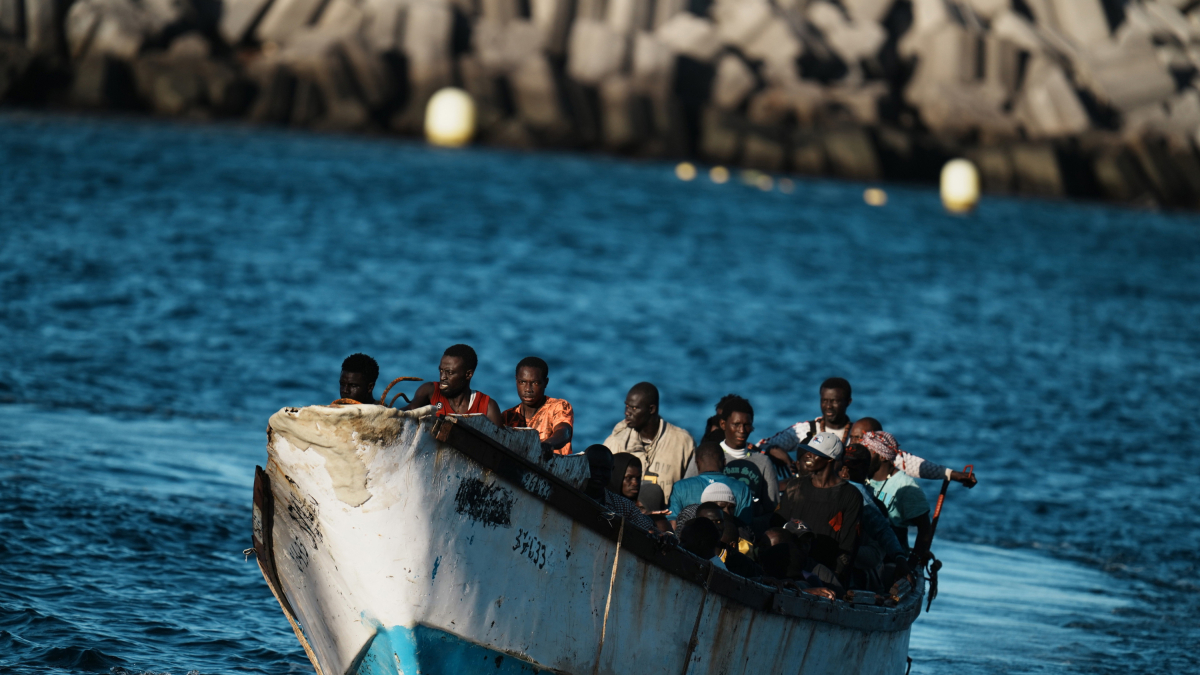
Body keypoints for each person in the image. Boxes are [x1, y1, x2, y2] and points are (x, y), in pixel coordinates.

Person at [775, 432, 862, 585]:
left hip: (824, 571)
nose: (807, 456)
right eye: (808, 451)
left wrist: (836, 578)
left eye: (815, 453)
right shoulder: (795, 487)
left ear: (830, 459)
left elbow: (848, 545)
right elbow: (779, 526)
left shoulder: (850, 495)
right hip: (790, 564)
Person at [602, 382, 695, 499]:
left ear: (651, 409)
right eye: (627, 406)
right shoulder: (615, 442)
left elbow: (691, 490)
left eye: (634, 408)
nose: (627, 412)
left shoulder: (682, 442)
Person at [684, 396, 778, 504]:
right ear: (723, 424)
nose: (742, 430)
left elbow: (771, 508)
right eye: (736, 424)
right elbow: (685, 494)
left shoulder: (763, 463)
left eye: (746, 425)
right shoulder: (705, 456)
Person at [861, 431, 936, 562]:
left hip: (891, 557)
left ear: (882, 457)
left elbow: (925, 529)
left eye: (867, 452)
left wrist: (912, 562)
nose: (862, 457)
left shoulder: (906, 487)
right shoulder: (862, 476)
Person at [841, 443, 910, 586]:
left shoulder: (863, 496)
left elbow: (880, 541)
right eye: (843, 465)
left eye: (852, 466)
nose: (845, 471)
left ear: (866, 469)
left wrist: (899, 557)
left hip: (855, 561)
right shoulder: (841, 487)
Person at [756, 378, 854, 475]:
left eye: (834, 401)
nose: (828, 406)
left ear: (848, 402)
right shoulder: (805, 429)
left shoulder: (857, 433)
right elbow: (760, 446)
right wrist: (774, 451)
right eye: (824, 401)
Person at [850, 418, 979, 486]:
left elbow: (909, 463)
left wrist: (952, 474)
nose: (854, 444)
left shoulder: (888, 460)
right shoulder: (841, 450)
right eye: (852, 438)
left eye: (859, 438)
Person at [404, 344, 503, 426]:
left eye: (449, 372)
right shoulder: (430, 391)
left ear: (468, 374)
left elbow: (498, 445)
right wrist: (391, 413)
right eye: (441, 370)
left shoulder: (488, 407)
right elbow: (411, 409)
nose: (442, 377)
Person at [500, 356, 574, 455]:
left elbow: (564, 432)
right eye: (522, 382)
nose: (528, 389)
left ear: (546, 383)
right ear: (516, 381)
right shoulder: (508, 416)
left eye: (535, 383)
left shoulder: (558, 407)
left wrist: (547, 445)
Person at [667, 442, 753, 525]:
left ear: (697, 463)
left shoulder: (680, 487)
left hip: (692, 539)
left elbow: (673, 523)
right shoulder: (742, 488)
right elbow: (745, 525)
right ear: (724, 462)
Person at [584, 445, 657, 532]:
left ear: (612, 470)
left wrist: (662, 535)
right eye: (593, 468)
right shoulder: (569, 493)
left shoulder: (624, 506)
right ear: (582, 465)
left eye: (604, 469)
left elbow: (650, 530)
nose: (598, 473)